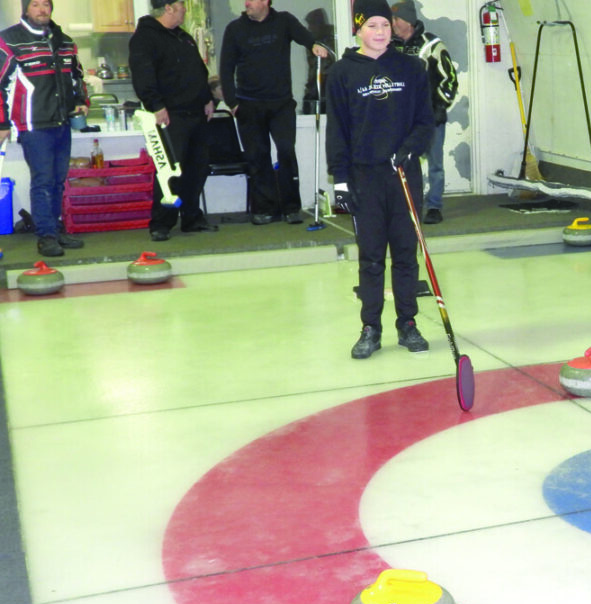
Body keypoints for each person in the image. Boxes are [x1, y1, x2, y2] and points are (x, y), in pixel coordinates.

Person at [326, 0, 434, 359]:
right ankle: (370, 327)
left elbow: (425, 121)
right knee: (371, 258)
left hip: (403, 176)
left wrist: (410, 148)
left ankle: (408, 324)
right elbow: (337, 131)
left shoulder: (412, 68)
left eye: (385, 25)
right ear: (359, 29)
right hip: (363, 179)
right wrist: (340, 181)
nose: (380, 32)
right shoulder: (343, 73)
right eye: (372, 25)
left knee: (405, 253)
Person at [219, 0, 330, 226]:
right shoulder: (235, 29)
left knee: (286, 151)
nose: (246, 3)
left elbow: (305, 38)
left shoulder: (284, 21)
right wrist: (232, 103)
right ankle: (265, 209)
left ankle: (291, 208)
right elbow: (226, 68)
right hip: (248, 105)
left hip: (280, 104)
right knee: (257, 156)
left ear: (266, 2)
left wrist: (314, 45)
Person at [0, 0, 88, 257]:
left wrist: (81, 101)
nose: (42, 9)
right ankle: (46, 236)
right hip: (33, 124)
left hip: (62, 122)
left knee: (58, 181)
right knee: (43, 182)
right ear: (26, 9)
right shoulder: (9, 40)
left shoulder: (64, 41)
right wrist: (2, 123)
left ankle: (56, 229)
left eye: (46, 4)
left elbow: (77, 76)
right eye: (35, 4)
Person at [129, 0, 218, 242]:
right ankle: (161, 223)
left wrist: (207, 98)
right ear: (168, 8)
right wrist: (156, 106)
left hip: (196, 113)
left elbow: (199, 71)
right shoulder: (145, 38)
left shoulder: (183, 37)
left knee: (197, 169)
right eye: (181, 4)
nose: (185, 9)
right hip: (170, 115)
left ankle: (192, 218)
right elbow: (143, 75)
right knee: (169, 172)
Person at [390, 0, 457, 225]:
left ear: (408, 21)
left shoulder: (432, 45)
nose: (392, 23)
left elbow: (450, 80)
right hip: (401, 120)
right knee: (405, 163)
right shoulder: (388, 46)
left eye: (396, 19)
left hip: (430, 118)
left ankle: (434, 207)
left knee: (435, 164)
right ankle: (406, 205)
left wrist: (439, 108)